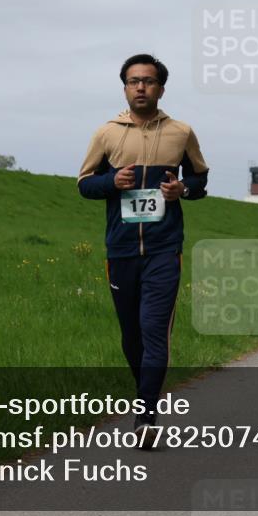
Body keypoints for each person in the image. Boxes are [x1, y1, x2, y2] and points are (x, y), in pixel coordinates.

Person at [78, 53, 209, 445]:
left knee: (154, 330)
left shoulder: (181, 132)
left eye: (148, 81)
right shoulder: (106, 133)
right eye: (134, 81)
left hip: (164, 249)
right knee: (131, 335)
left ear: (161, 89)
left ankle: (147, 416)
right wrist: (111, 182)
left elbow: (200, 179)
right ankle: (145, 396)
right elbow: (84, 183)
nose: (141, 87)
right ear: (125, 88)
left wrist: (182, 189)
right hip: (120, 251)